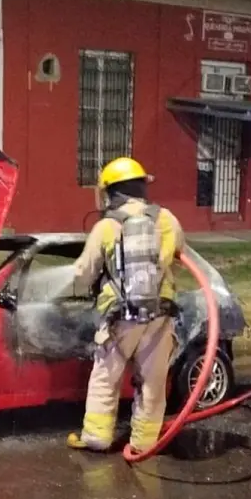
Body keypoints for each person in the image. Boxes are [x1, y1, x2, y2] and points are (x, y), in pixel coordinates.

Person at [66, 157, 185, 454]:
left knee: (106, 377)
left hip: (120, 317)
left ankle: (96, 438)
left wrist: (84, 287)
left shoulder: (107, 226)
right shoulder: (167, 220)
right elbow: (178, 255)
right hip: (160, 315)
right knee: (153, 382)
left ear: (110, 191)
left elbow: (84, 272)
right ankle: (144, 443)